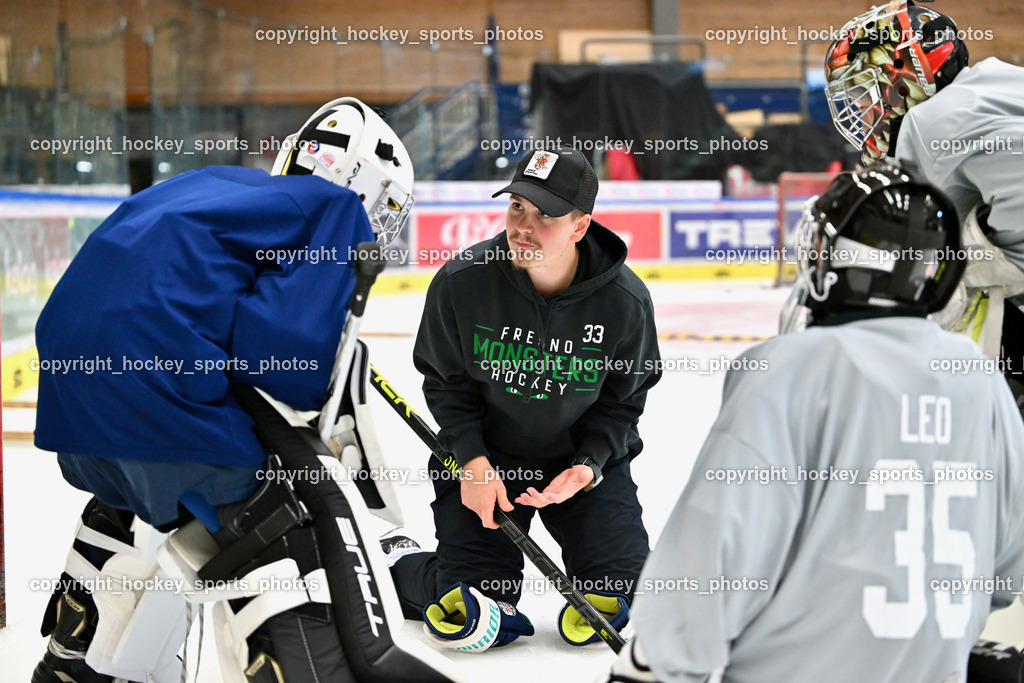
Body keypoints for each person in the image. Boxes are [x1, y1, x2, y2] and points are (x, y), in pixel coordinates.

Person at [30, 97, 421, 682]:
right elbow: (281, 361)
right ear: (368, 188)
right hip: (158, 402)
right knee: (280, 519)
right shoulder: (334, 209)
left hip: (74, 412)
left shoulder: (209, 183)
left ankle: (75, 663)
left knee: (142, 504)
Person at [604, 162, 1024, 683]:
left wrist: (652, 664)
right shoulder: (979, 379)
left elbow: (707, 569)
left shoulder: (786, 370)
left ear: (838, 261)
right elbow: (1005, 568)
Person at [386, 146, 662, 653]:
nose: (524, 226)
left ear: (580, 227)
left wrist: (588, 465)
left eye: (546, 215)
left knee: (624, 598)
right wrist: (470, 460)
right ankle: (402, 560)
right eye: (517, 206)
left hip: (577, 466)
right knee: (471, 608)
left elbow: (624, 401)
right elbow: (445, 383)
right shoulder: (462, 282)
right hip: (486, 464)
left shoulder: (625, 302)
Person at [823, 0, 1024, 396]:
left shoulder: (932, 121)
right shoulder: (998, 83)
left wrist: (993, 256)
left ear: (903, 76)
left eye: (864, 94)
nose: (861, 113)